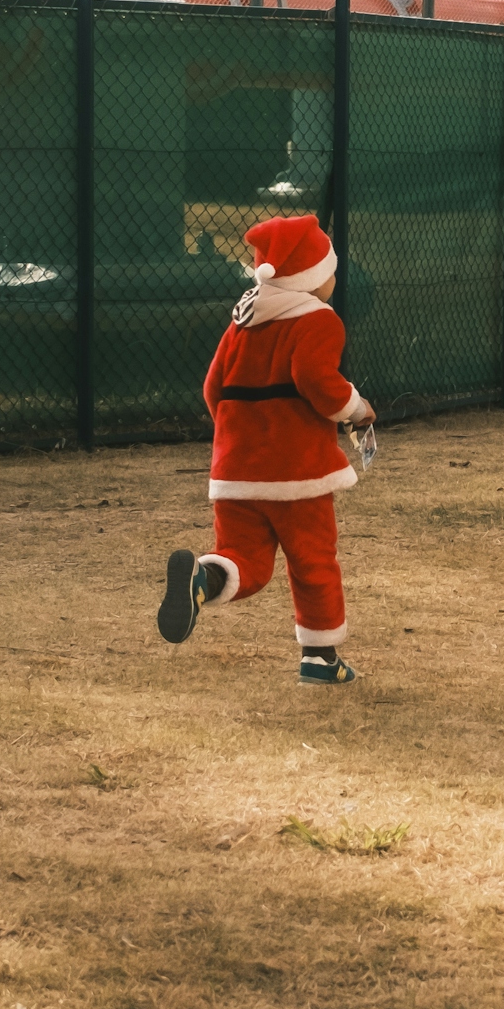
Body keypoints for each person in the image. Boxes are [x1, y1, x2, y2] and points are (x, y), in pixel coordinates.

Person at [156, 213, 379, 684]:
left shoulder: (240, 323)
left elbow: (212, 389)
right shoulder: (319, 321)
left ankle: (204, 577)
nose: (334, 279)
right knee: (312, 559)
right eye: (329, 268)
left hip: (235, 469)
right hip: (297, 470)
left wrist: (240, 438)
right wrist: (357, 409)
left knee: (245, 559)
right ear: (312, 276)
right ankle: (320, 660)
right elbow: (318, 383)